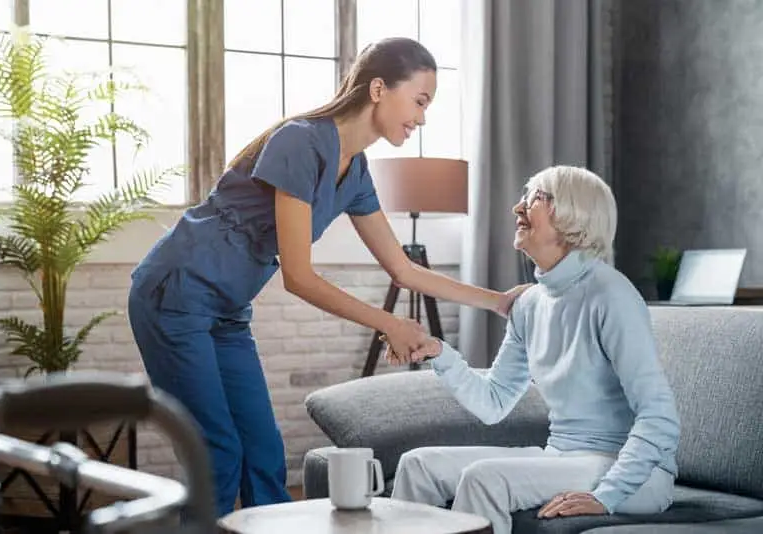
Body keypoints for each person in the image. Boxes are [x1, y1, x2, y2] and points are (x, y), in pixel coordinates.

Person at [126, 37, 528, 518]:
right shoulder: (300, 141)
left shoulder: (355, 171)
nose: (422, 117)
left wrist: (500, 301)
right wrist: (389, 323)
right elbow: (298, 276)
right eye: (419, 101)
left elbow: (403, 268)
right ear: (378, 88)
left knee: (264, 453)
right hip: (175, 295)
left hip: (226, 313)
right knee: (219, 454)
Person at [385, 165, 680, 532]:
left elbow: (660, 416)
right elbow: (494, 402)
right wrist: (439, 354)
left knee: (485, 478)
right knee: (418, 465)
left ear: (575, 215)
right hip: (562, 457)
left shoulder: (611, 295)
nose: (517, 208)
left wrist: (608, 494)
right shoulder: (529, 304)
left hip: (634, 470)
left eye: (536, 198)